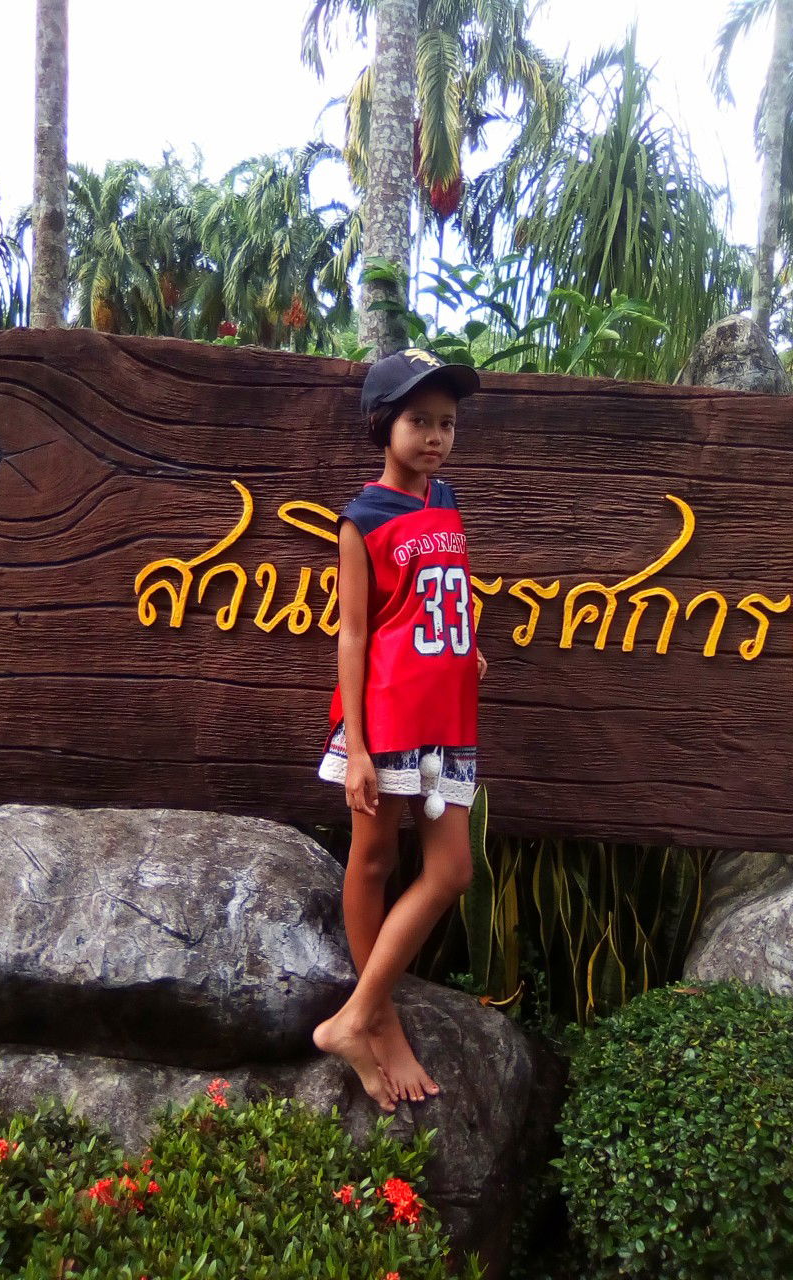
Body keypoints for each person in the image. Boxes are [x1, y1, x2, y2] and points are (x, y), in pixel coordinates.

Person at [314, 347, 488, 1111]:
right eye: (420, 421)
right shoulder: (362, 520)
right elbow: (353, 633)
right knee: (375, 857)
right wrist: (355, 746)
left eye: (447, 423)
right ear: (384, 424)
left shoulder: (444, 499)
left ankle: (355, 1018)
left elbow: (441, 590)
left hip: (446, 714)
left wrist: (463, 641)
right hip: (386, 716)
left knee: (451, 869)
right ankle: (376, 1022)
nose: (436, 437)